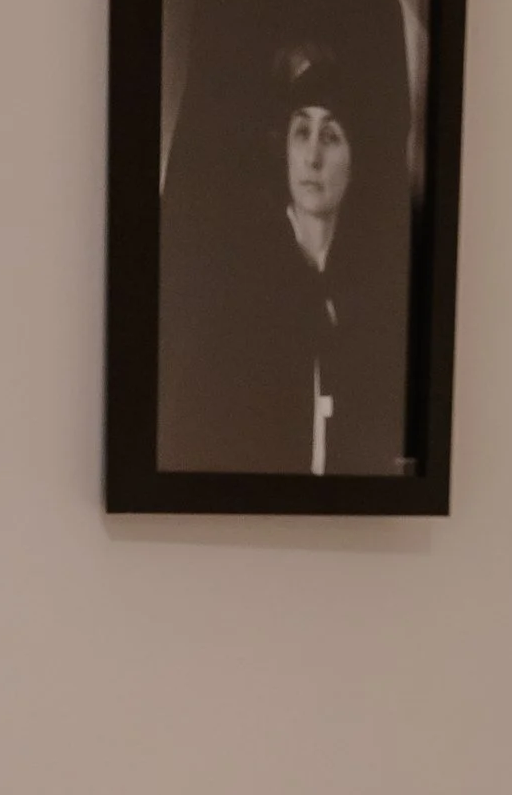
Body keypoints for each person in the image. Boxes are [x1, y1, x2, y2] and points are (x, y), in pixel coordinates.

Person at [157, 34, 406, 476]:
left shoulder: (373, 296)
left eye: (331, 136)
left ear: (355, 159)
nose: (312, 156)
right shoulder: (240, 283)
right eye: (301, 132)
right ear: (284, 148)